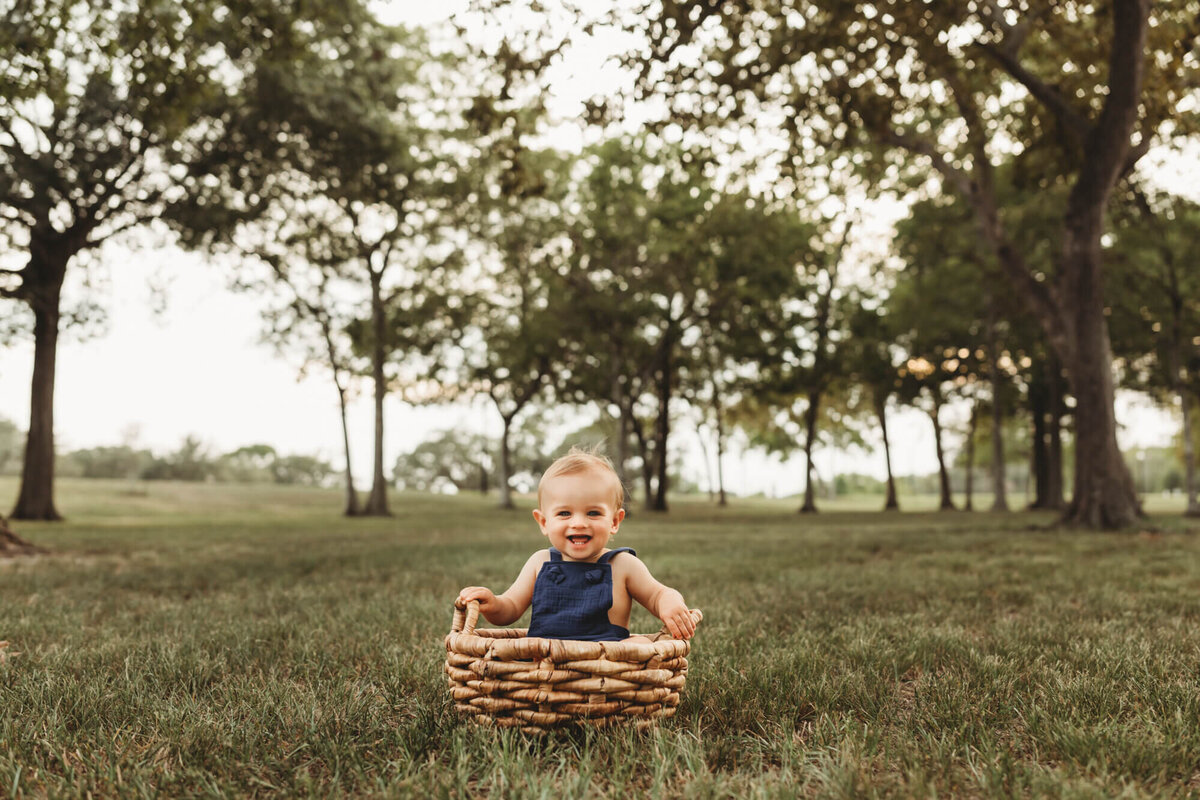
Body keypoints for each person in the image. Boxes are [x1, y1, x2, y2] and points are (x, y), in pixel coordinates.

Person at [456, 447, 698, 642]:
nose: (579, 523)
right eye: (564, 513)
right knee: (517, 649)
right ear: (543, 522)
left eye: (593, 513)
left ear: (615, 521)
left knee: (642, 645)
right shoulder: (540, 563)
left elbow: (657, 594)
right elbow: (509, 608)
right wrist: (492, 603)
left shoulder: (624, 565)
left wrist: (669, 601)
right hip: (546, 662)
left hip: (609, 663)